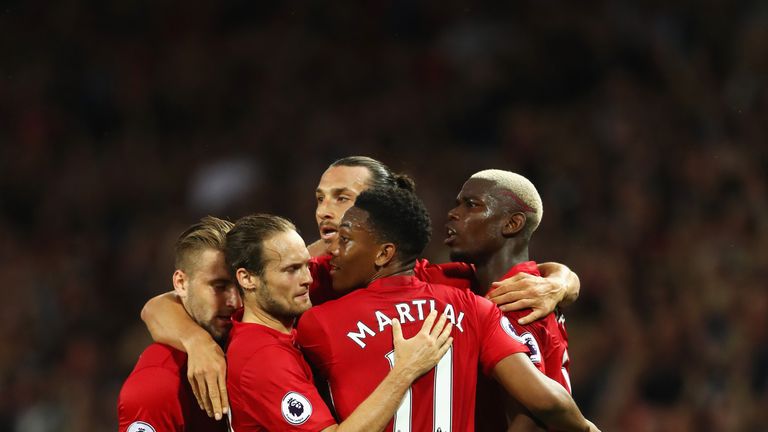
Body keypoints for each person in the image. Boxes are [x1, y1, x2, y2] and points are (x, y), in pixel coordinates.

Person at [140, 156, 580, 419]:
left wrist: (559, 282)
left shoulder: (440, 284)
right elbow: (165, 304)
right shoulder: (307, 274)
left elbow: (526, 271)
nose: (327, 212)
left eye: (344, 198)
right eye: (320, 197)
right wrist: (197, 342)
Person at [296, 187, 599, 431]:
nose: (331, 249)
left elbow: (535, 413)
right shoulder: (472, 303)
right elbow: (548, 402)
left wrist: (564, 280)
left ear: (385, 252)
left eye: (471, 204)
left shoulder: (318, 322)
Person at [222, 213, 453, 431]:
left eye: (306, 265)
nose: (308, 279)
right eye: (291, 270)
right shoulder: (263, 357)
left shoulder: (269, 335)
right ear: (247, 278)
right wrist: (405, 370)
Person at [445, 169, 572, 431]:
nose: (453, 213)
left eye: (471, 205)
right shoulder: (477, 283)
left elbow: (532, 416)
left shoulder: (520, 299)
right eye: (457, 203)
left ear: (512, 224)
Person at [118, 216, 240, 431]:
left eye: (240, 285)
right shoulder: (156, 385)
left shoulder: (253, 340)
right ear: (181, 283)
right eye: (219, 286)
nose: (235, 301)